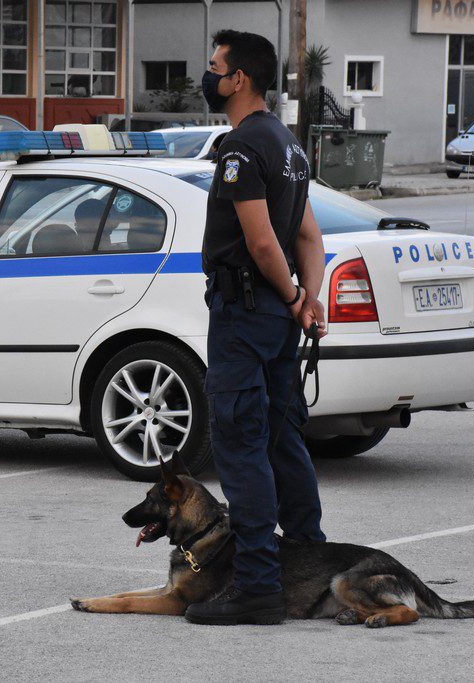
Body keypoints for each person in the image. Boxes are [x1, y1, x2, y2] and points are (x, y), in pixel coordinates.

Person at [183, 30, 327, 626]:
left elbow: (263, 239)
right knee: (282, 439)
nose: (208, 75)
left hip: (245, 314)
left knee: (241, 445)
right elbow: (310, 237)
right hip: (278, 317)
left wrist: (294, 295)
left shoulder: (241, 147)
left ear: (239, 78)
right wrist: (307, 302)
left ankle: (259, 588)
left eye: (214, 66)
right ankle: (311, 562)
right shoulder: (290, 146)